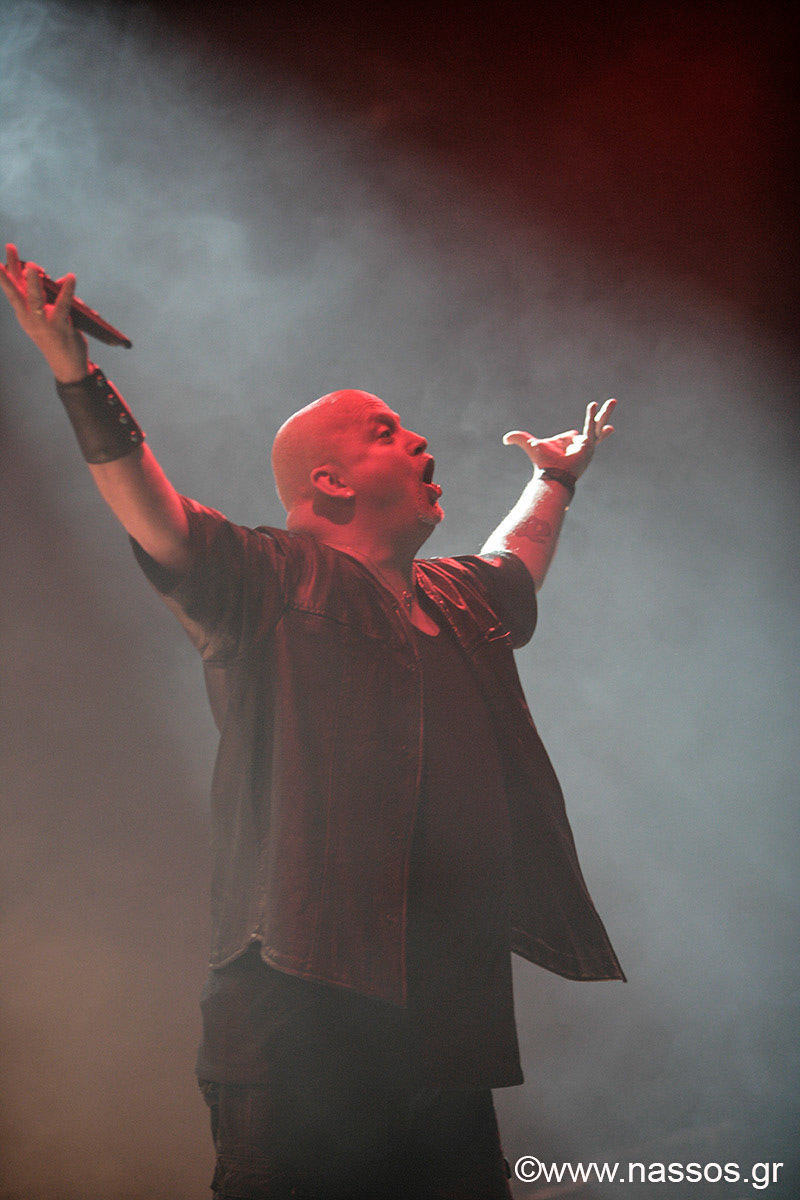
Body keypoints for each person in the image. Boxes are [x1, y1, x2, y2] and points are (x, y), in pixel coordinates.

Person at [1, 246, 624, 1200]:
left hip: (445, 1035)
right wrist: (75, 374)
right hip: (304, 1033)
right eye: (387, 432)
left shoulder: (456, 600)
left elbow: (513, 565)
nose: (419, 440)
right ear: (331, 482)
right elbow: (155, 516)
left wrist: (554, 480)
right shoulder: (270, 581)